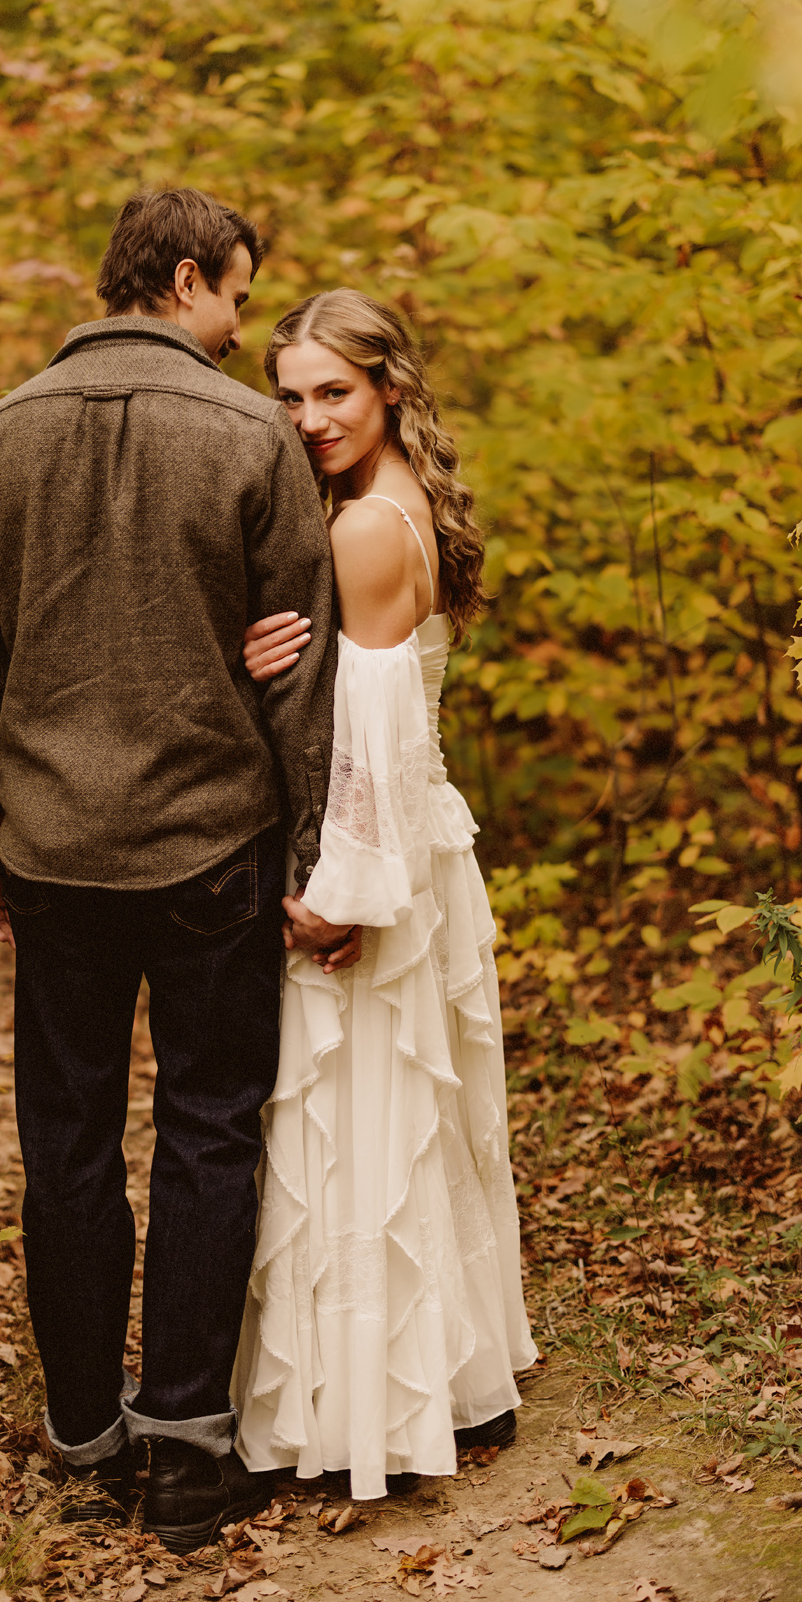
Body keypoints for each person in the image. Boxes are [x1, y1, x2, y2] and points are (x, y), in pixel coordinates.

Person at [0, 189, 361, 1553]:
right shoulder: (247, 438)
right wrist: (310, 853)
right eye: (237, 294)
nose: (239, 326)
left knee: (64, 1142)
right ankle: (185, 1447)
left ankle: (80, 1429)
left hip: (56, 851)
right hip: (209, 850)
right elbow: (304, 670)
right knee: (210, 1131)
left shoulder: (0, 437)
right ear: (184, 278)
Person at [228, 288, 536, 1497]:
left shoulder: (361, 530)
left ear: (388, 387)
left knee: (362, 1129)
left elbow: (369, 728)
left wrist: (342, 891)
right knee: (411, 1123)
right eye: (291, 394)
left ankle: (365, 1406)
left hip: (376, 856)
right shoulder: (397, 507)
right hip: (423, 843)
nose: (307, 417)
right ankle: (452, 1377)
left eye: (333, 392)